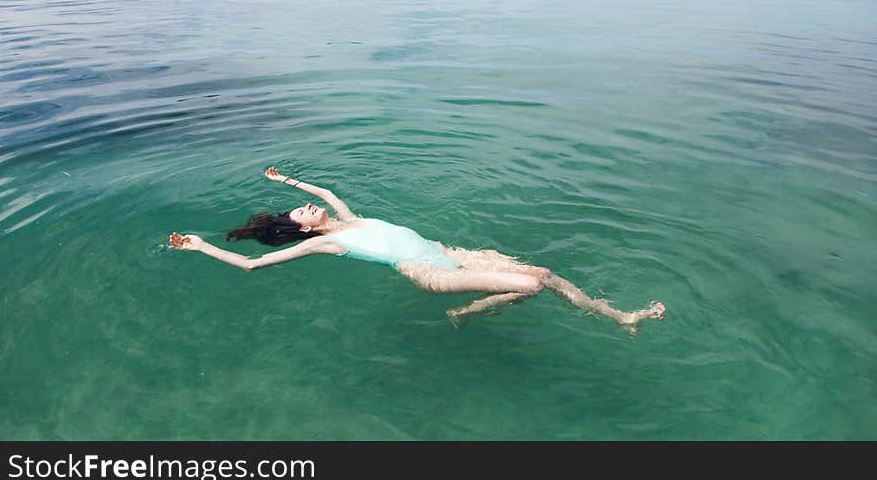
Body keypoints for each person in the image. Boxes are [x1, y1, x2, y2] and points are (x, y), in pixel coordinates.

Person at [169, 167, 666, 334]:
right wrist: (201, 246)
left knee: (544, 272)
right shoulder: (331, 244)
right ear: (303, 232)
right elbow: (254, 264)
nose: (304, 207)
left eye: (300, 205)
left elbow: (325, 194)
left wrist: (286, 179)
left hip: (449, 250)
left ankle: (618, 316)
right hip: (430, 270)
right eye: (298, 214)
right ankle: (467, 307)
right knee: (530, 285)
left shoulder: (348, 217)